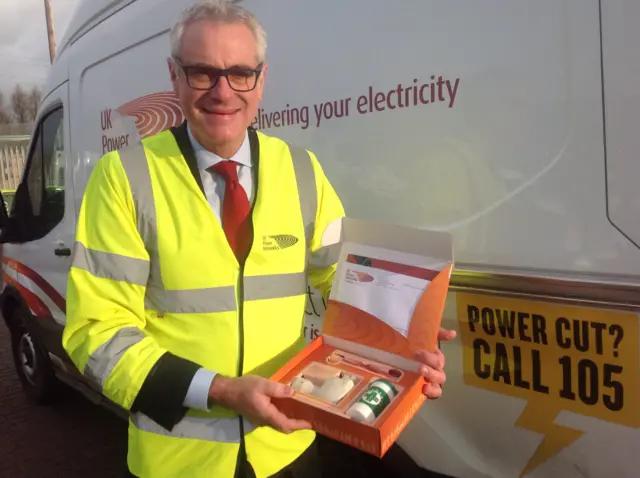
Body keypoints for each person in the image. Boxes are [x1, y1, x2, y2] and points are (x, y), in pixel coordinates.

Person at [61, 1, 457, 477]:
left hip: (287, 449)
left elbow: (342, 280)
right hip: (179, 462)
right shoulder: (124, 178)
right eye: (202, 72)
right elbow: (97, 334)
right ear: (175, 77)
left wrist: (403, 335)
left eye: (240, 73)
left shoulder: (302, 171)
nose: (223, 92)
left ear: (261, 80)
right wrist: (222, 390)